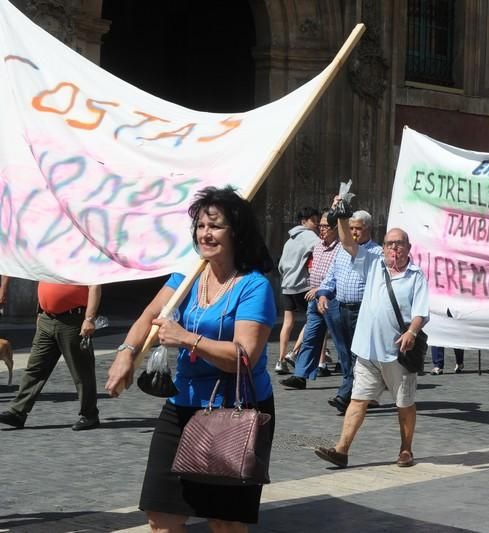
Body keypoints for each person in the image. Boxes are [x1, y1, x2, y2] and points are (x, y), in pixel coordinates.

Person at [104, 186, 277, 531]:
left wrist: (187, 339)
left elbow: (242, 358)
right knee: (160, 517)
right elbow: (149, 315)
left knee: (224, 522)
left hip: (234, 410)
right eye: (200, 226)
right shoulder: (187, 277)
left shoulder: (254, 286)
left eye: (214, 226)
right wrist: (127, 352)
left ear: (236, 233)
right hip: (182, 406)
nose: (205, 234)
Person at [314, 196, 429, 469]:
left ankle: (405, 450)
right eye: (390, 244)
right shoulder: (374, 262)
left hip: (398, 352)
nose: (394, 249)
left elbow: (421, 313)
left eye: (399, 244)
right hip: (367, 349)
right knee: (357, 400)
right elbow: (347, 243)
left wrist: (412, 332)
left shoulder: (416, 276)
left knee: (404, 403)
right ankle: (341, 450)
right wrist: (341, 216)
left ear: (408, 247)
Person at [0, 282, 101, 430]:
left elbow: (94, 286)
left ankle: (90, 415)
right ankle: (17, 412)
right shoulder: (49, 259)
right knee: (35, 368)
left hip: (72, 320)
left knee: (81, 370)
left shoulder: (80, 259)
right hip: (46, 318)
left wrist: (89, 318)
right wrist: (40, 311)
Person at [316, 210, 382, 413]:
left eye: (358, 229)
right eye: (351, 228)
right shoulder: (341, 251)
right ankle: (360, 392)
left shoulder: (376, 253)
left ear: (368, 229)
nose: (353, 232)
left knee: (358, 354)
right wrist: (323, 294)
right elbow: (331, 276)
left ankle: (346, 395)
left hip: (362, 309)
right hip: (340, 307)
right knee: (344, 353)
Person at [281, 209, 340, 389]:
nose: (321, 229)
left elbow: (337, 275)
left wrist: (319, 288)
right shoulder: (319, 245)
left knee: (342, 341)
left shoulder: (341, 248)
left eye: (326, 226)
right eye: (320, 226)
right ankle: (300, 375)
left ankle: (357, 378)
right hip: (314, 299)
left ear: (336, 228)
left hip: (331, 298)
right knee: (311, 337)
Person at [276, 206, 320, 374]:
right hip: (302, 285)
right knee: (313, 319)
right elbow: (321, 248)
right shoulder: (309, 235)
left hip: (286, 285)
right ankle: (293, 352)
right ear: (304, 222)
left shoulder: (290, 239)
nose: (316, 225)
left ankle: (280, 361)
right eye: (314, 221)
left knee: (288, 323)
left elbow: (280, 265)